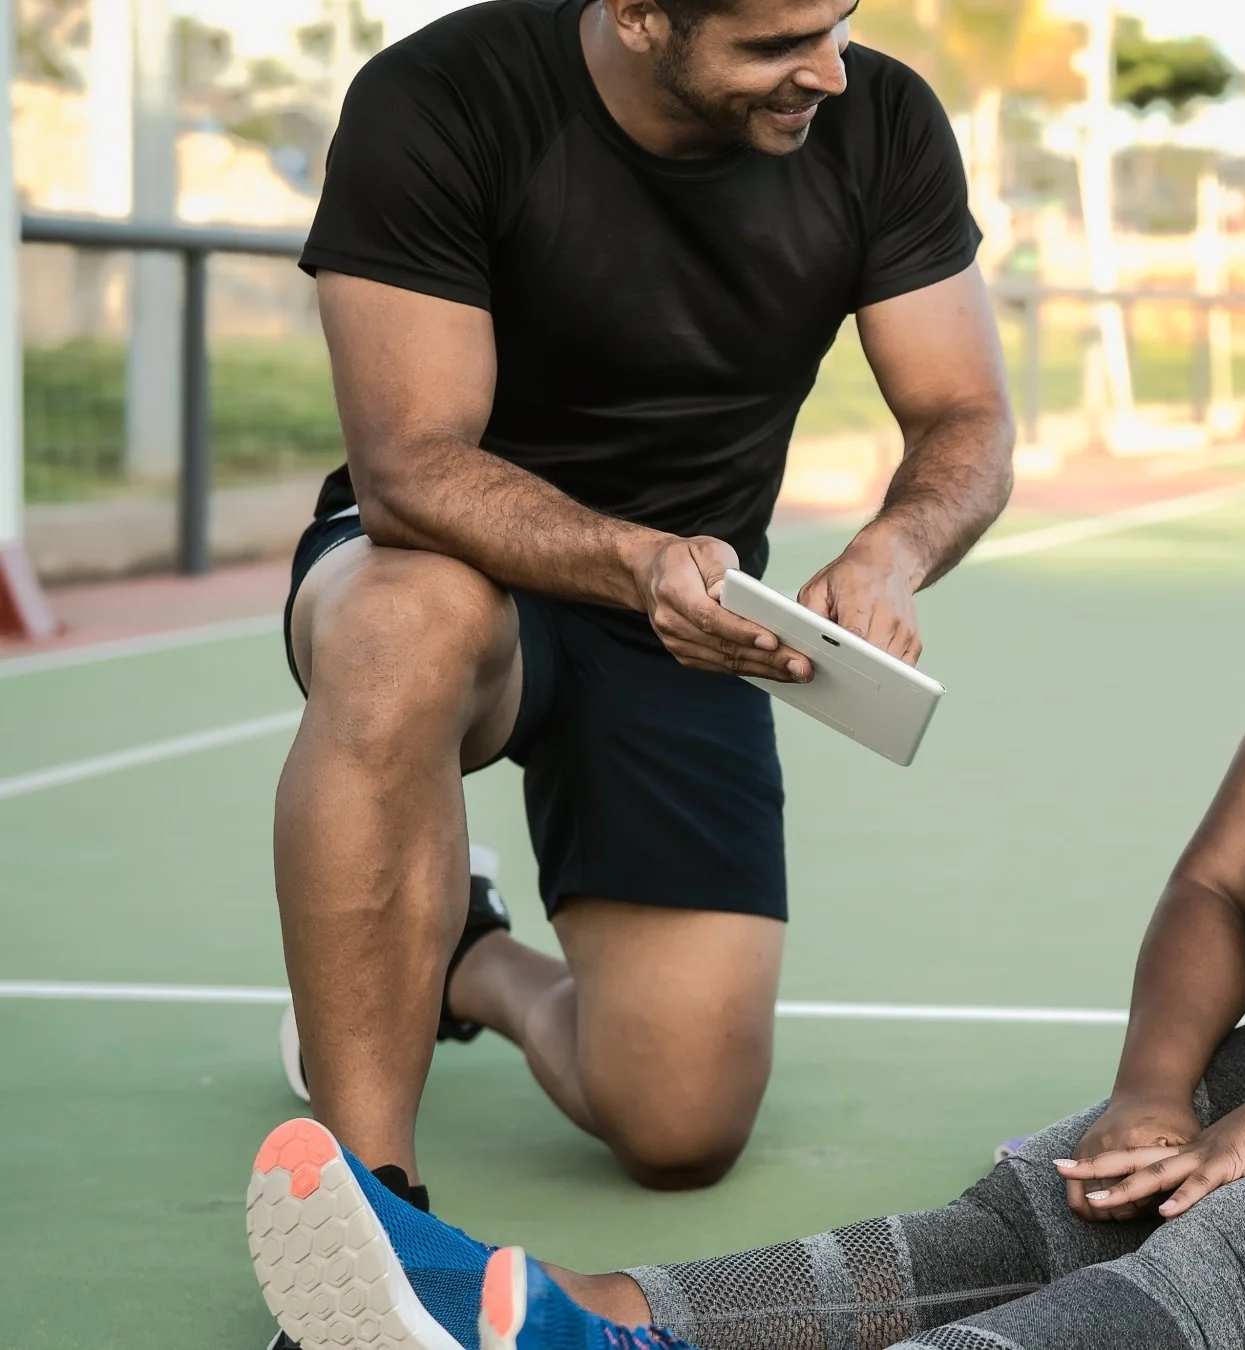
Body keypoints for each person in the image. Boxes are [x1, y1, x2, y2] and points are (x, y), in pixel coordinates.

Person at [249, 184, 1245, 1350]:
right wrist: (1163, 1092)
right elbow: (1216, 881)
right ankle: (564, 1320)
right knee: (1053, 1201)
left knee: (1240, 1256)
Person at [272, 0, 1012, 1245]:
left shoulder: (880, 120)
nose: (828, 71)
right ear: (639, 15)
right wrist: (636, 559)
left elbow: (965, 417)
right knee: (405, 628)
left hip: (696, 609)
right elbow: (408, 465)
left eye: (839, 23)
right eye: (779, 46)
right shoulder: (441, 97)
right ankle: (361, 1212)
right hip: (450, 565)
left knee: (678, 1128)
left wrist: (895, 547)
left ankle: (465, 959)